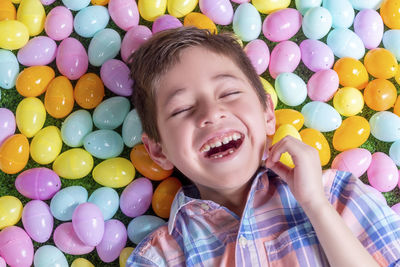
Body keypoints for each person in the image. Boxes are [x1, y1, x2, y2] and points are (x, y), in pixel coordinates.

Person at [126, 27, 400, 266]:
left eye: (230, 93)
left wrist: (317, 206)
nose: (211, 113)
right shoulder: (160, 257)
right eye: (182, 109)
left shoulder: (340, 196)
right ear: (158, 151)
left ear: (268, 115)